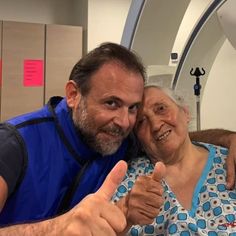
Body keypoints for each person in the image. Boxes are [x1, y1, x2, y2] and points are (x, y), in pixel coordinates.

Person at [0, 42, 235, 235]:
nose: (124, 121)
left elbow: (168, 137)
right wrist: (56, 229)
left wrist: (228, 138)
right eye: (111, 103)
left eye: (132, 108)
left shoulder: (118, 140)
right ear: (73, 95)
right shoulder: (14, 144)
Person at [113, 84, 236, 235]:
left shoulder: (230, 161)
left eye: (161, 108)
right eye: (141, 122)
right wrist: (125, 214)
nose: (156, 125)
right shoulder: (126, 182)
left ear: (185, 112)